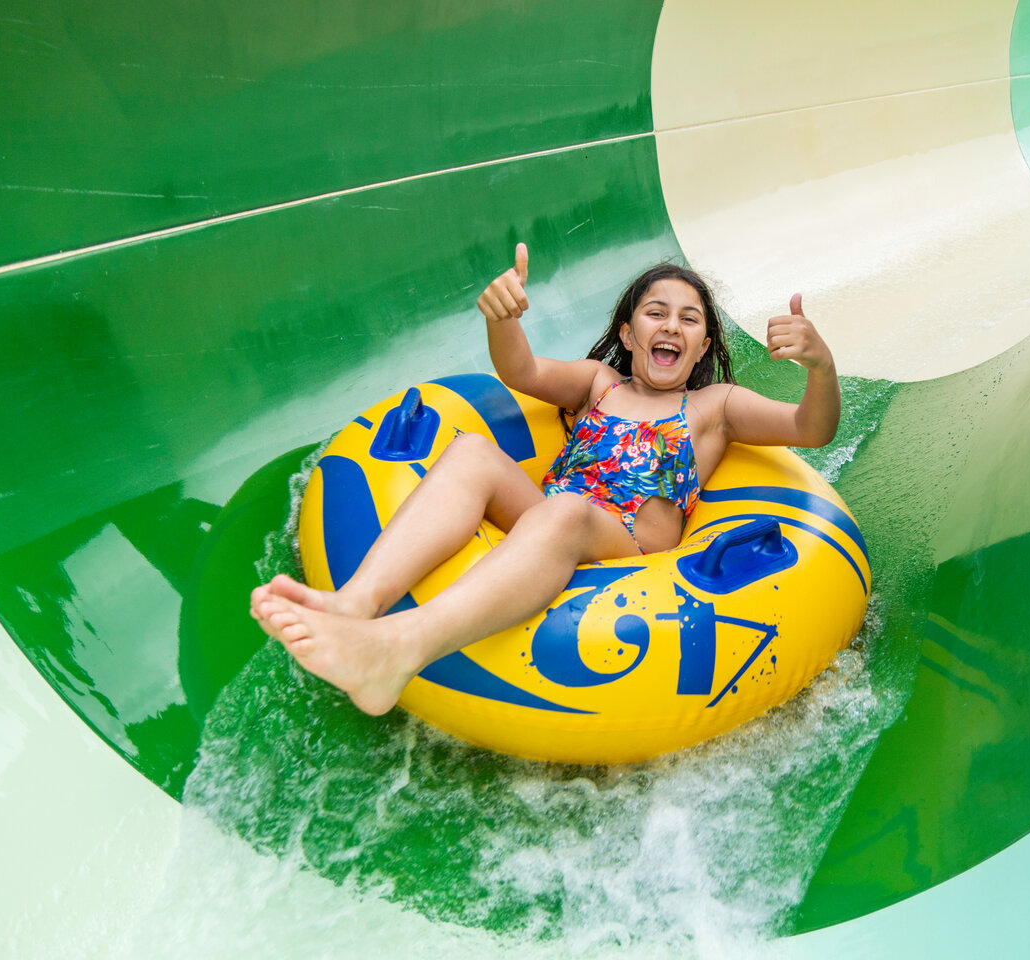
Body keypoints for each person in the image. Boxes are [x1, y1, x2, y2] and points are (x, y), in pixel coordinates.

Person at [249, 243, 840, 716]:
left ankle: (401, 649)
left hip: (627, 553)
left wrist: (821, 365)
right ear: (629, 334)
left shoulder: (714, 406)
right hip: (549, 518)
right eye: (655, 313)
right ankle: (356, 602)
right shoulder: (597, 385)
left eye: (689, 319)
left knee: (567, 514)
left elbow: (809, 429)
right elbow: (520, 369)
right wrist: (504, 317)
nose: (672, 326)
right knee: (475, 451)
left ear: (703, 345)